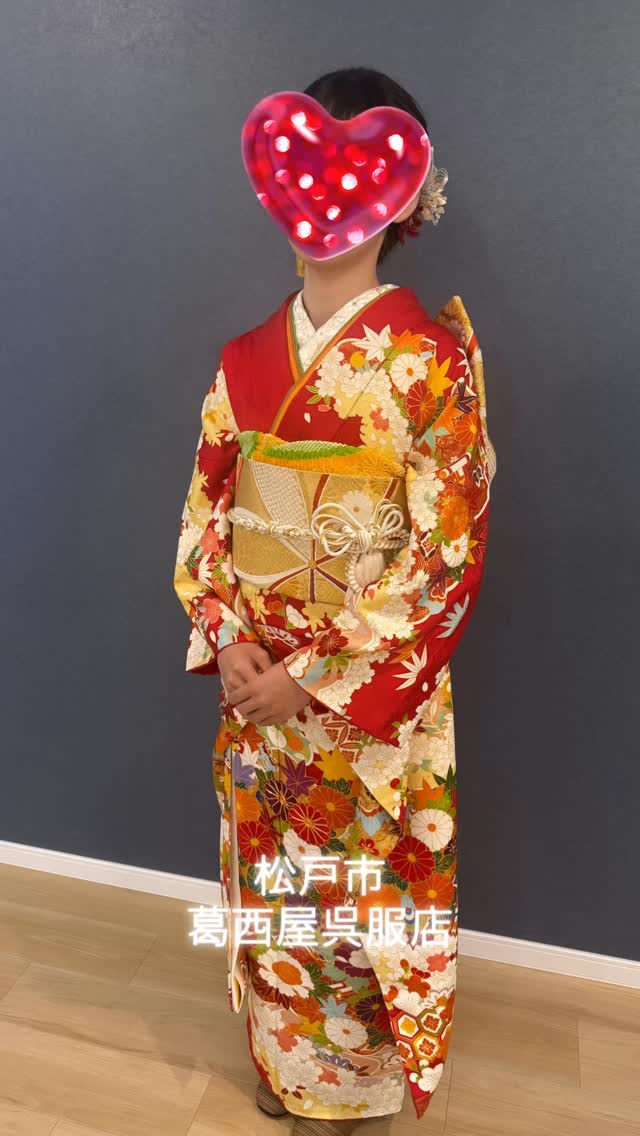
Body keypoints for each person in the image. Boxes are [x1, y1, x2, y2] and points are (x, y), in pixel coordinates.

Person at [174, 66, 496, 1135]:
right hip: (258, 688)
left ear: (405, 201)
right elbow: (208, 517)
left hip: (363, 705)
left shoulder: (429, 365)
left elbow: (445, 558)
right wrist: (227, 635)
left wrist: (310, 676)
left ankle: (355, 1087)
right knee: (277, 889)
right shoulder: (243, 361)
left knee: (363, 889)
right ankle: (285, 1061)